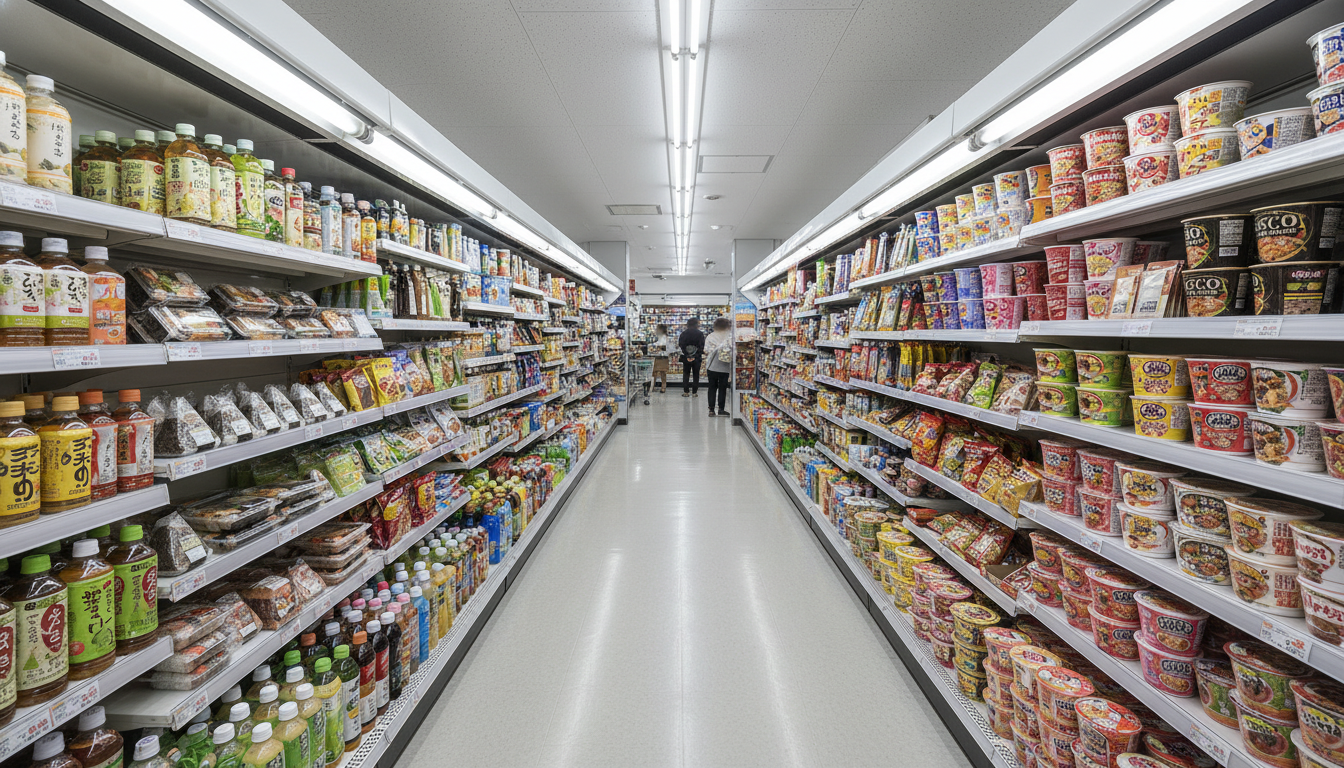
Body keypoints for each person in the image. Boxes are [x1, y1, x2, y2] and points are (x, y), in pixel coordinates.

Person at [703, 317, 733, 417]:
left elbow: (706, 351)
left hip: (712, 366)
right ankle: (721, 409)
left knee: (712, 387)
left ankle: (711, 410)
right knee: (722, 388)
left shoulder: (711, 336)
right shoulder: (730, 337)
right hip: (725, 366)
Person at [677, 318, 705, 397]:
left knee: (686, 374)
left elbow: (681, 345)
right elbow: (702, 346)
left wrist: (687, 355)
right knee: (696, 374)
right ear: (697, 324)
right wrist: (695, 355)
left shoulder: (683, 333)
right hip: (697, 358)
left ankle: (686, 392)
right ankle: (694, 392)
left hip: (686, 357)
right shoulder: (700, 334)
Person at [651, 323, 671, 393]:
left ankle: (660, 386)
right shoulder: (660, 337)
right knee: (658, 372)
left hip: (662, 357)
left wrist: (654, 346)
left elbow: (662, 345)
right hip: (660, 356)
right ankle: (657, 386)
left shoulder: (664, 337)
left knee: (659, 372)